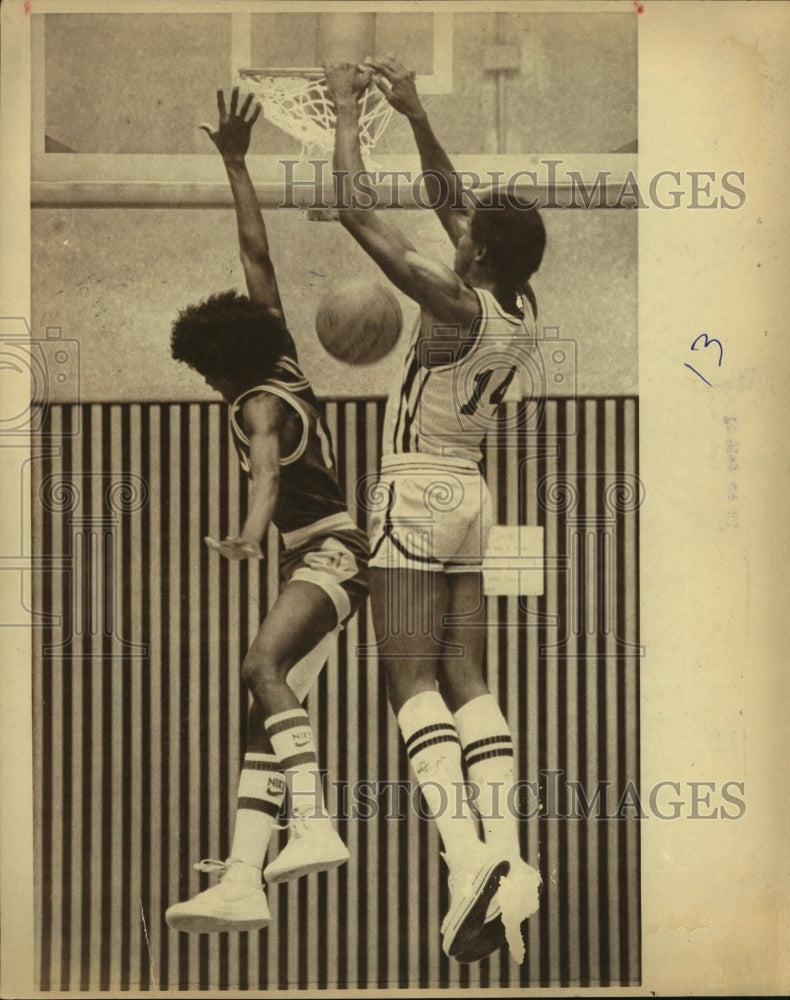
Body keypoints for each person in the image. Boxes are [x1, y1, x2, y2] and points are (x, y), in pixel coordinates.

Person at [324, 59, 545, 964]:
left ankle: (466, 863)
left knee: (408, 682)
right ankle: (508, 856)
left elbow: (355, 210)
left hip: (415, 486)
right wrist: (414, 112)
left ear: (478, 255)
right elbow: (451, 198)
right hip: (473, 495)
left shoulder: (453, 301)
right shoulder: (519, 302)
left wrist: (349, 114)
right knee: (469, 679)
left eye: (466, 234)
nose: (455, 231)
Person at [164, 88, 369, 933]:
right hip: (325, 556)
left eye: (203, 374)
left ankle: (315, 823)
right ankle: (244, 877)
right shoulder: (279, 351)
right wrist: (237, 165)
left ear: (218, 368)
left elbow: (264, 481)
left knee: (258, 666)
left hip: (334, 553)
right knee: (268, 710)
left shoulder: (253, 402)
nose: (206, 385)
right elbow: (259, 257)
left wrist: (247, 535)